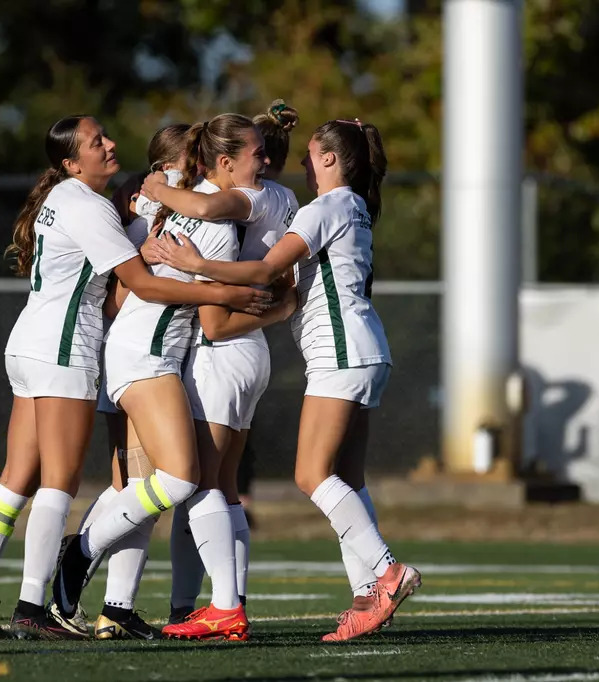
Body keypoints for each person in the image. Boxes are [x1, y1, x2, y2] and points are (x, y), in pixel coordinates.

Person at [0, 115, 271, 641]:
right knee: (60, 484)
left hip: (33, 341)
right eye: (98, 142)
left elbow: (129, 273)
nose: (112, 144)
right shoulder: (90, 204)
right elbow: (139, 285)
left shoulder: (76, 200)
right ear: (72, 163)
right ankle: (33, 605)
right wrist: (224, 291)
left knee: (18, 478)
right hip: (65, 348)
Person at [150, 118, 422, 642]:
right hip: (366, 351)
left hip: (339, 355)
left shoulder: (328, 206)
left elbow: (262, 271)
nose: (299, 164)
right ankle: (368, 593)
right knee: (348, 479)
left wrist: (195, 263)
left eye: (310, 155)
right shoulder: (355, 206)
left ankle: (386, 573)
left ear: (328, 160)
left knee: (311, 475)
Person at [50, 113, 298, 642]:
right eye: (253, 157)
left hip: (147, 352)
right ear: (221, 163)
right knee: (185, 480)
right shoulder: (213, 219)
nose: (263, 166)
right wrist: (234, 294)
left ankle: (123, 605)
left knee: (154, 486)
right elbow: (206, 315)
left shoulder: (184, 206)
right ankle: (84, 549)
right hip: (148, 356)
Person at [139, 100, 300, 630]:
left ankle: (225, 608)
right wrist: (278, 309)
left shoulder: (235, 201)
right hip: (250, 352)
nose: (266, 163)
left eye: (259, 152)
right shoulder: (280, 196)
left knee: (202, 486)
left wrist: (158, 192)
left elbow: (212, 321)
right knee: (223, 487)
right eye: (258, 154)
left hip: (223, 349)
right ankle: (205, 604)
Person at [72, 123, 194, 641]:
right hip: (129, 362)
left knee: (137, 489)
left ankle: (114, 608)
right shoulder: (139, 219)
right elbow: (115, 299)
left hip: (144, 362)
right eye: (193, 161)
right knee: (141, 485)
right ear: (167, 168)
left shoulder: (155, 211)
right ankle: (77, 561)